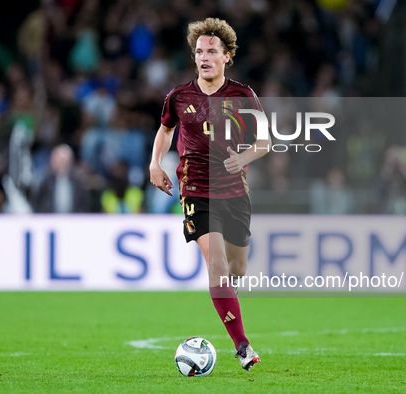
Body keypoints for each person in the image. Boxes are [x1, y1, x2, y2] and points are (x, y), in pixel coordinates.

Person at [149, 18, 269, 371]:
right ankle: (243, 346)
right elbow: (165, 130)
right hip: (196, 191)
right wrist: (155, 163)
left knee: (237, 269)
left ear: (227, 56)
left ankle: (227, 303)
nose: (204, 57)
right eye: (199, 52)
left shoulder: (243, 95)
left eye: (212, 52)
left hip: (235, 193)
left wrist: (243, 158)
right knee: (216, 265)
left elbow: (264, 142)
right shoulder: (179, 96)